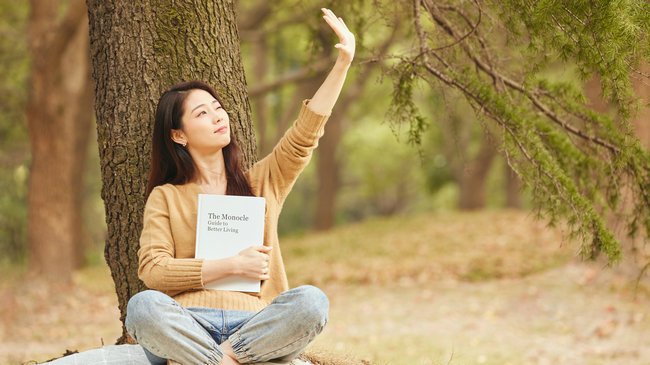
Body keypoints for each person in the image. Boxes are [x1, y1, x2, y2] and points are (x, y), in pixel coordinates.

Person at [43, 7, 354, 365]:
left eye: (217, 107)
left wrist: (342, 63)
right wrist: (232, 265)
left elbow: (306, 134)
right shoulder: (166, 197)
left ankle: (217, 359)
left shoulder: (261, 182)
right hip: (189, 324)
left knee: (312, 302)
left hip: (255, 324)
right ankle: (225, 361)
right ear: (178, 134)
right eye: (201, 113)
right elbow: (153, 271)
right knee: (142, 306)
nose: (218, 116)